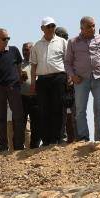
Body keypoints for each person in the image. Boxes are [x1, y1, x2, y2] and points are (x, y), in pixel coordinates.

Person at [65, 16, 100, 141]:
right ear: (81, 28)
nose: (93, 28)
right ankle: (83, 137)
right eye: (89, 26)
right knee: (80, 109)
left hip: (99, 77)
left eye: (93, 25)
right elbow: (67, 63)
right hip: (81, 80)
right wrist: (72, 76)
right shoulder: (73, 42)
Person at [0, 28, 25, 151]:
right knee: (1, 118)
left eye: (8, 38)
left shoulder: (14, 50)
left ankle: (18, 145)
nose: (7, 40)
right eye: (4, 38)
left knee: (18, 116)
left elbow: (19, 68)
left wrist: (18, 81)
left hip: (13, 87)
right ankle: (3, 146)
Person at [30, 17, 68, 146]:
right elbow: (34, 65)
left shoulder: (62, 42)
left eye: (53, 26)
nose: (51, 28)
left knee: (59, 108)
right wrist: (33, 83)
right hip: (42, 80)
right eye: (48, 26)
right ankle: (47, 140)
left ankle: (59, 138)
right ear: (42, 28)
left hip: (59, 78)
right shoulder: (36, 45)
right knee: (44, 109)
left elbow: (68, 61)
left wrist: (69, 77)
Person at [20, 42, 41, 148]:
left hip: (36, 97)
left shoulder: (38, 63)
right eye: (23, 49)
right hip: (22, 97)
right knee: (21, 123)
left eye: (27, 50)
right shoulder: (19, 64)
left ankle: (35, 146)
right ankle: (19, 146)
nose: (25, 52)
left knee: (36, 123)